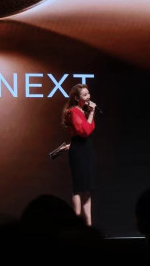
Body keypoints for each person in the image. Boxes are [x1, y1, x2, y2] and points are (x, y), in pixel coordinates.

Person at [60, 83, 98, 226]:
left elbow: (89, 129)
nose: (88, 96)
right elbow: (85, 131)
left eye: (88, 93)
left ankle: (89, 224)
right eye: (85, 95)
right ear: (77, 98)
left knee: (87, 188)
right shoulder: (73, 112)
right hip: (79, 151)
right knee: (78, 187)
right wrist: (92, 113)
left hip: (86, 149)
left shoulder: (83, 111)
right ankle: (76, 223)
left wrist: (90, 113)